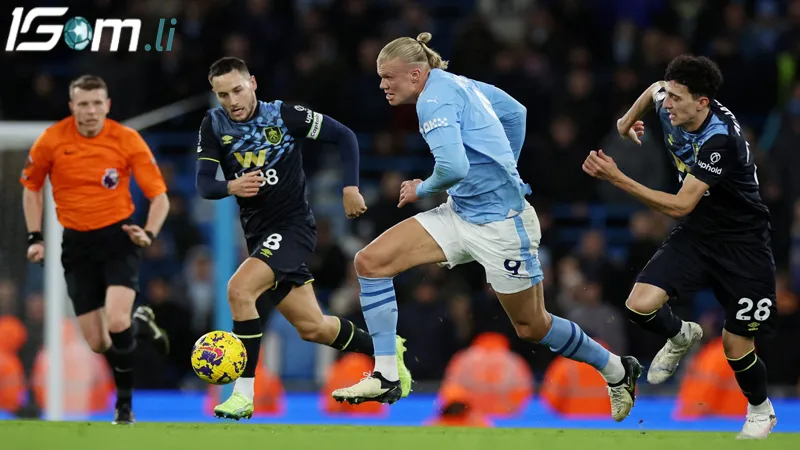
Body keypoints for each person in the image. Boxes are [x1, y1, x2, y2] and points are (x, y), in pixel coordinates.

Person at [331, 33, 643, 422]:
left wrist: (420, 187)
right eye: (380, 78)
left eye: (388, 77)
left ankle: (616, 369)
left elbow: (454, 168)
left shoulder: (432, 102)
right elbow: (516, 113)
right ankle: (386, 375)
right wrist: (502, 165)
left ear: (415, 73)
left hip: (503, 226)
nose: (382, 85)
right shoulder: (458, 83)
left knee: (532, 326)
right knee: (370, 262)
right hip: (460, 212)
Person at [195, 57, 412, 420]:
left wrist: (350, 188)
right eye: (223, 95)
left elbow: (344, 135)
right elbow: (204, 184)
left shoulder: (284, 116)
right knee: (314, 327)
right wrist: (232, 185)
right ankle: (389, 350)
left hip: (293, 229)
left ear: (253, 82)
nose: (232, 101)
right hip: (260, 237)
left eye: (237, 90)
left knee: (239, 290)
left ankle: (243, 394)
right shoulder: (214, 125)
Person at [583, 54, 778, 439]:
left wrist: (617, 177)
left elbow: (680, 204)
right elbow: (653, 88)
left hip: (744, 243)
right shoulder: (668, 99)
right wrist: (624, 124)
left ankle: (760, 411)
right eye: (668, 95)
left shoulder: (718, 140)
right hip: (699, 233)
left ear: (702, 103)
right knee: (639, 304)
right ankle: (680, 334)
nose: (666, 104)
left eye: (676, 98)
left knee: (736, 343)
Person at [21, 74, 171, 425]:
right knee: (99, 342)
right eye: (83, 104)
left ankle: (124, 407)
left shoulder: (126, 139)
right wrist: (34, 237)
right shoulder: (51, 140)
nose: (90, 111)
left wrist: (148, 233)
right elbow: (31, 187)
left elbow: (159, 197)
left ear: (108, 105)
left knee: (116, 319)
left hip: (119, 238)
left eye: (96, 103)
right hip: (76, 244)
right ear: (72, 107)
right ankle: (141, 320)